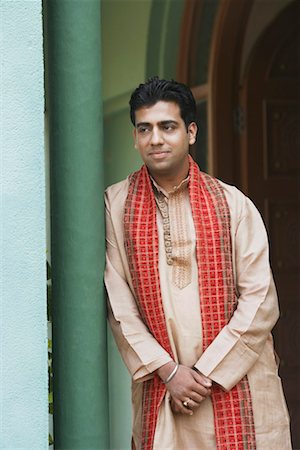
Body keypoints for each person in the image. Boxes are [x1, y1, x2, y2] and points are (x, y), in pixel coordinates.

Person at [104, 77, 291, 450]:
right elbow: (118, 302)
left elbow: (260, 303)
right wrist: (170, 372)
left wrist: (202, 375)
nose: (155, 139)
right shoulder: (117, 205)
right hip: (163, 390)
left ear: (191, 132)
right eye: (145, 129)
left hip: (239, 386)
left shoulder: (234, 204)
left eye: (167, 126)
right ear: (135, 137)